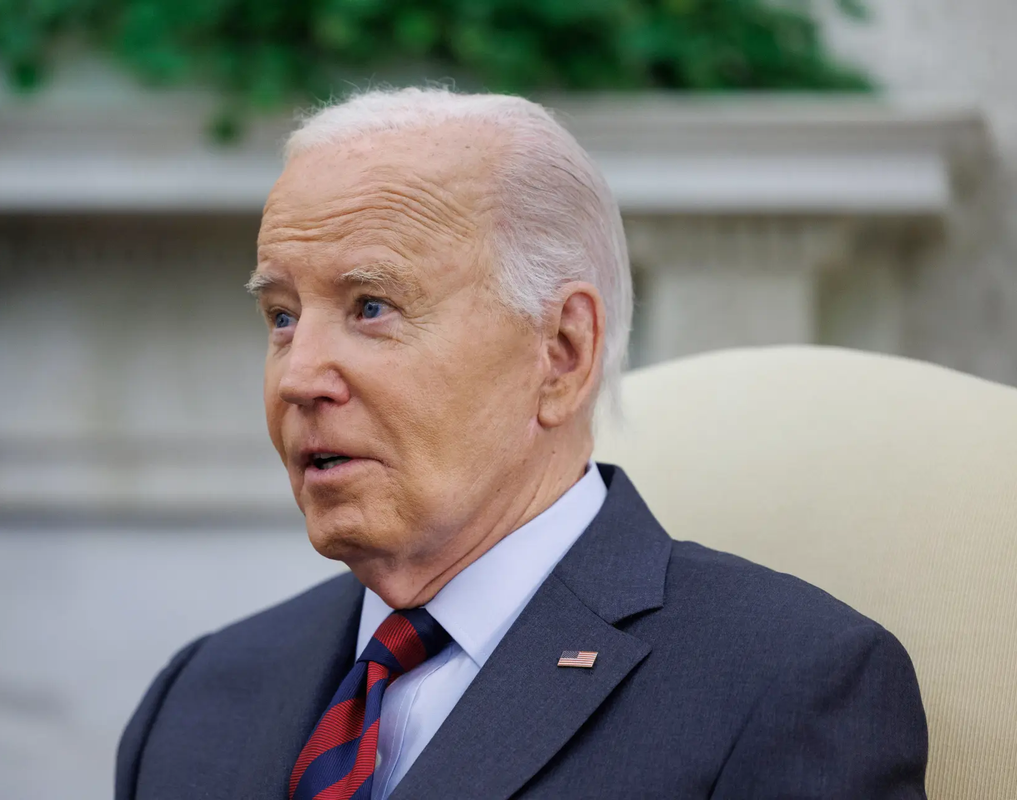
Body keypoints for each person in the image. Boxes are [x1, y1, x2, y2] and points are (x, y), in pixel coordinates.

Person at [116, 88, 928, 799]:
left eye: (371, 306)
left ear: (561, 354)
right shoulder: (196, 699)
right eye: (283, 317)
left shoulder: (790, 684)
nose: (299, 378)